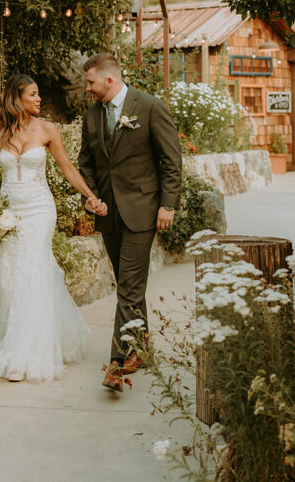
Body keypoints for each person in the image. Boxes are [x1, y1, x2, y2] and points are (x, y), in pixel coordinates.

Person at [0, 73, 108, 382]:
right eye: (33, 94)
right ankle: (33, 338)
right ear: (16, 99)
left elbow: (68, 169)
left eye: (39, 94)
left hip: (39, 210)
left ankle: (23, 355)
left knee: (31, 272)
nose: (39, 99)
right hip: (8, 215)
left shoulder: (48, 129)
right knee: (11, 278)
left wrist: (91, 197)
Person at [78, 52, 182, 393]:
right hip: (108, 214)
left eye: (91, 83)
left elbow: (171, 160)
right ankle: (143, 347)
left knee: (129, 287)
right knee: (129, 285)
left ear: (109, 80)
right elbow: (88, 163)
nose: (88, 89)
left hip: (142, 210)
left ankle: (117, 362)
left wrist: (168, 204)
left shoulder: (149, 106)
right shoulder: (92, 115)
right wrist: (91, 197)